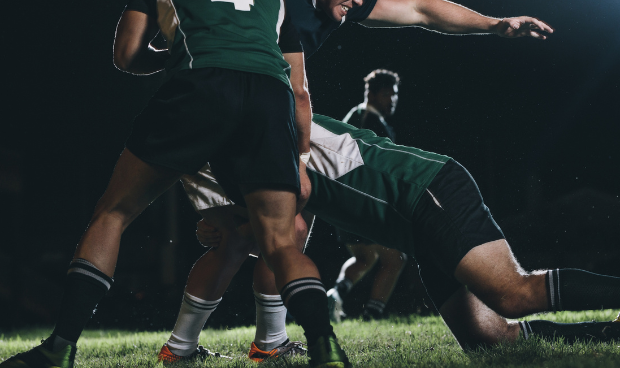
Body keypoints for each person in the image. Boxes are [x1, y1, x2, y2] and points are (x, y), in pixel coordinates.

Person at [162, 0, 554, 362]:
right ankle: (183, 347)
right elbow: (297, 92)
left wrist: (495, 25)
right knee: (240, 236)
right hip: (224, 116)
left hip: (249, 118)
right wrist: (300, 160)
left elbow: (421, 9)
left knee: (287, 228)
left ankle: (261, 342)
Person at [0, 0, 350, 368]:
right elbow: (299, 91)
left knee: (113, 213)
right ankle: (325, 348)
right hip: (268, 95)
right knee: (281, 240)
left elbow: (126, 55)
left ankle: (60, 348)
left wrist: (174, 55)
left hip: (202, 84)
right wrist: (298, 158)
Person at [196, 113, 620, 352]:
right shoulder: (236, 153)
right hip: (413, 228)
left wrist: (237, 227)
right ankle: (608, 332)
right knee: (490, 340)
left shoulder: (269, 125)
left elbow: (290, 213)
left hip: (426, 190)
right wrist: (228, 226)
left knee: (513, 293)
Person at [328, 69, 407, 322]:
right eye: (386, 94)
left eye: (394, 95)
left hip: (345, 204)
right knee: (395, 259)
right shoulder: (368, 122)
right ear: (370, 94)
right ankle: (373, 315)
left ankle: (335, 295)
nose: (392, 100)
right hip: (364, 204)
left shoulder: (354, 117)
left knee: (364, 257)